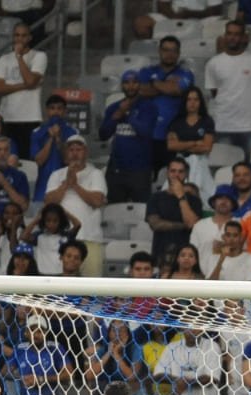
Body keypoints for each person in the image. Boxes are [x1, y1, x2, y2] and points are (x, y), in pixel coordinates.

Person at [43, 135, 108, 275]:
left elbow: (96, 201)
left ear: (86, 152)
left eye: (79, 149)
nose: (75, 153)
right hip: (60, 241)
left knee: (92, 288)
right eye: (71, 149)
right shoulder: (56, 175)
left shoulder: (95, 173)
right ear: (66, 153)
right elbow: (49, 203)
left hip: (89, 237)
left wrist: (75, 185)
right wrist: (67, 183)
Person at [139, 35, 197, 172]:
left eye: (173, 50)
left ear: (178, 53)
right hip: (148, 135)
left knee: (171, 178)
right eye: (165, 50)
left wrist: (153, 83)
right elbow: (141, 91)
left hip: (174, 137)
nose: (169, 54)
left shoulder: (186, 74)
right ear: (159, 51)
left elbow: (176, 90)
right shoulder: (146, 71)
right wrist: (165, 86)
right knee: (146, 179)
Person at [205, 20, 251, 159]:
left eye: (237, 34)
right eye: (229, 33)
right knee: (224, 169)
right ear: (225, 35)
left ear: (244, 37)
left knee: (250, 171)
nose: (232, 37)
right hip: (223, 126)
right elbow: (215, 93)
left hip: (249, 127)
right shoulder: (213, 63)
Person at [101, 71, 157, 203]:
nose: (131, 86)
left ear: (139, 85)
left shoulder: (149, 107)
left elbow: (146, 132)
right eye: (127, 82)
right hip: (116, 170)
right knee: (114, 212)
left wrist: (129, 114)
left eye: (134, 82)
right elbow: (103, 134)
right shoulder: (113, 108)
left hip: (140, 170)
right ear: (122, 86)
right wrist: (118, 114)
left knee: (141, 212)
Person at [0, 24, 46, 158]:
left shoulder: (39, 56)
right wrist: (25, 86)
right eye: (17, 35)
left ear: (30, 38)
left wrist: (19, 57)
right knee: (6, 157)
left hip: (30, 117)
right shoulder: (4, 59)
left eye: (23, 35)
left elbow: (30, 80)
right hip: (7, 117)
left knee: (28, 160)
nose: (20, 39)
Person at [146, 158, 203, 272]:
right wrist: (183, 225)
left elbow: (192, 224)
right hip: (160, 253)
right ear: (167, 173)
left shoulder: (194, 200)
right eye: (173, 171)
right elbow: (155, 224)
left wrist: (181, 196)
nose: (176, 174)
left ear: (186, 174)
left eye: (180, 171)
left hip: (185, 256)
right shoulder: (156, 197)